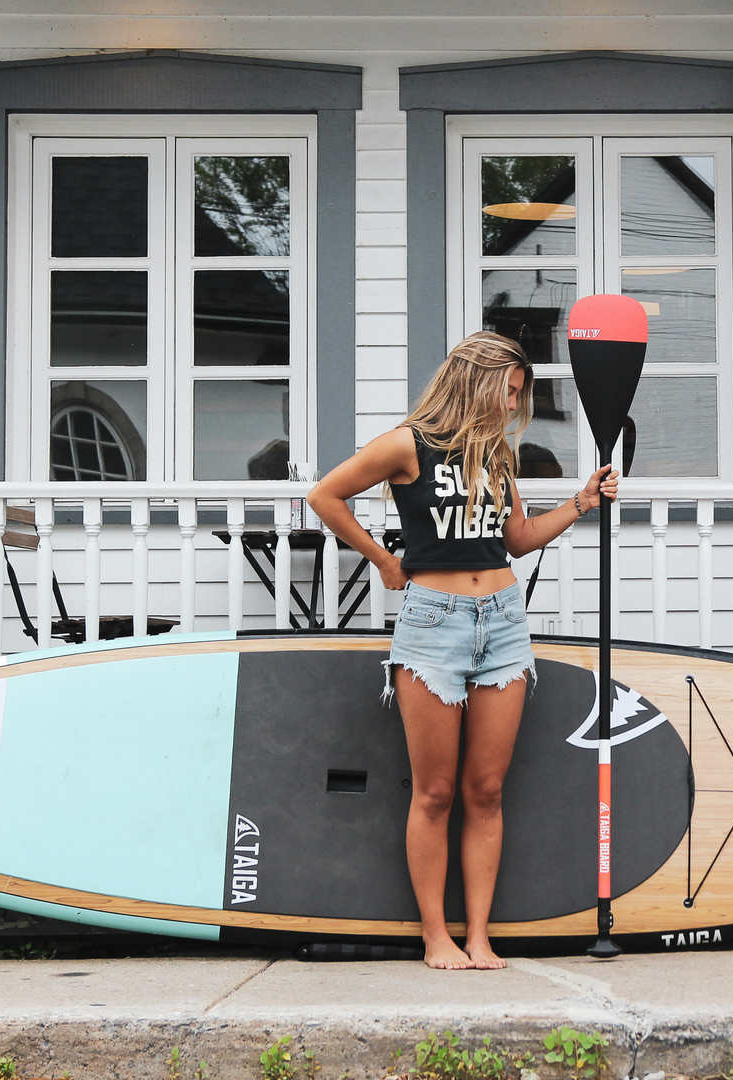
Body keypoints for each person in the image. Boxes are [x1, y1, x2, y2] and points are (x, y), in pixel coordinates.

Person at [307, 331, 618, 970]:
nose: (512, 405)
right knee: (435, 792)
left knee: (486, 789)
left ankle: (479, 935)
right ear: (475, 381)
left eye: (518, 396)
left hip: (503, 622)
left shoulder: (499, 455)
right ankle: (435, 937)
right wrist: (383, 561)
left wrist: (582, 502)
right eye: (507, 391)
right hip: (433, 624)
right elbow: (324, 496)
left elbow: (519, 539)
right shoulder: (406, 443)